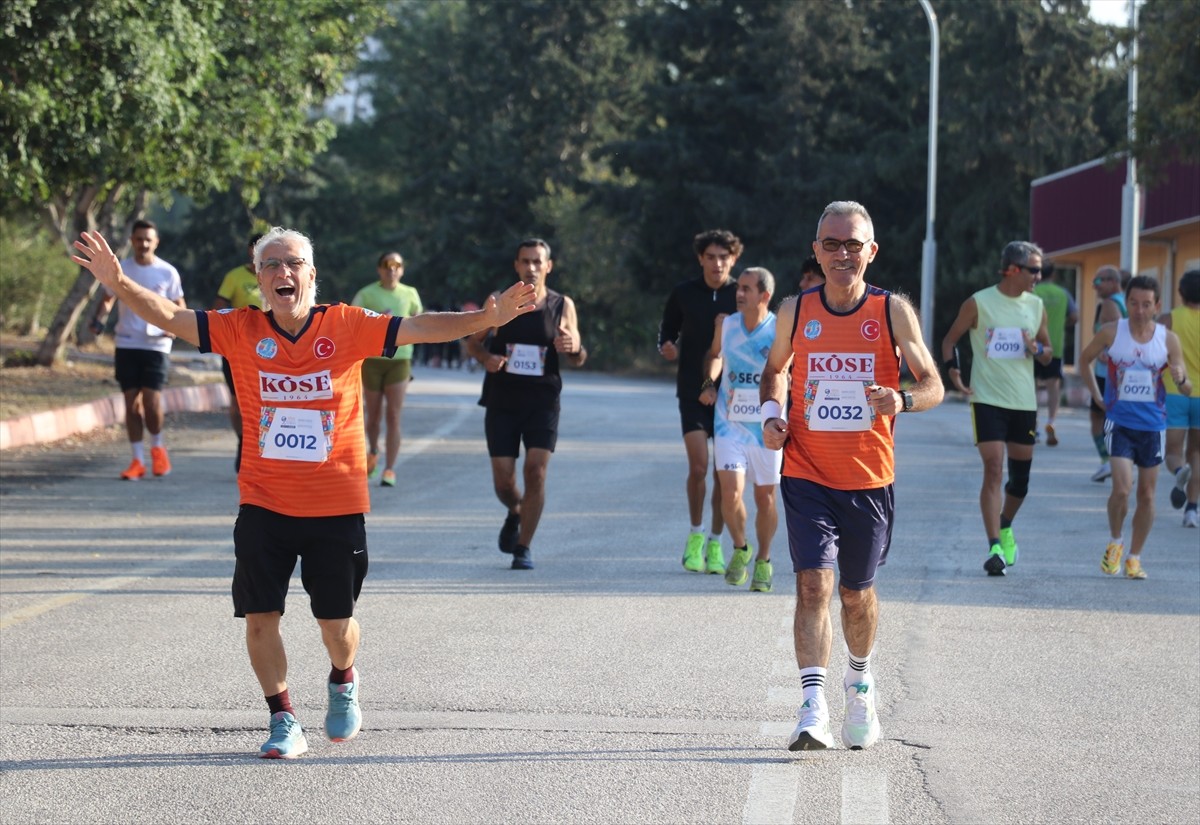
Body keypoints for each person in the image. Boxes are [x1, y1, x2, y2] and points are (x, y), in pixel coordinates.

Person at [71, 226, 535, 759]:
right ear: (258, 278)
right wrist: (118, 281)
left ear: (311, 274)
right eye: (270, 264)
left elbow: (420, 327)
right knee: (260, 616)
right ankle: (283, 717)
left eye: (292, 263)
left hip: (335, 502)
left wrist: (484, 320)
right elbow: (170, 317)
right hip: (263, 499)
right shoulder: (238, 329)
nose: (282, 273)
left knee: (336, 627)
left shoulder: (346, 325)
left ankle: (343, 677)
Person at [760, 201, 943, 751]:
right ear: (816, 250)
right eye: (831, 244)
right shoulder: (797, 310)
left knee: (856, 595)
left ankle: (859, 680)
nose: (842, 254)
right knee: (813, 584)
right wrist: (773, 415)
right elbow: (775, 371)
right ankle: (812, 707)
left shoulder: (893, 312)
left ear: (871, 251)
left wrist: (903, 399)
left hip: (868, 480)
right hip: (807, 470)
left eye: (852, 244)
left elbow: (934, 383)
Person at [465, 239, 586, 571]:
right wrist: (486, 356)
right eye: (525, 261)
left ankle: (523, 547)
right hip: (503, 400)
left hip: (543, 401)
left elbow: (578, 354)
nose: (531, 267)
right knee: (504, 482)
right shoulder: (499, 303)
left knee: (536, 471)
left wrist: (573, 347)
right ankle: (516, 510)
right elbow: (472, 344)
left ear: (549, 266)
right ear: (516, 266)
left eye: (538, 261)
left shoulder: (563, 305)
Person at [942, 241, 1053, 576]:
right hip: (987, 399)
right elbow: (950, 340)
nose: (1039, 275)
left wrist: (1038, 349)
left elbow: (1048, 353)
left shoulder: (1036, 306)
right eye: (1034, 269)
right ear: (1012, 269)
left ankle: (1005, 524)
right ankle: (994, 546)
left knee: (1020, 482)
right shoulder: (980, 302)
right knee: (993, 467)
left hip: (1023, 402)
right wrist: (954, 372)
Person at [1080, 275, 1192, 578]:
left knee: (1146, 494)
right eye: (1133, 303)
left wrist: (1181, 378)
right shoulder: (1111, 333)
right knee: (1122, 488)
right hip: (1119, 422)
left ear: (1157, 305)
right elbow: (1084, 360)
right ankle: (1116, 541)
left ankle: (1134, 557)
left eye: (1146, 304)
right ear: (1126, 302)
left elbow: (1186, 387)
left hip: (1153, 426)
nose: (1139, 310)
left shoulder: (1167, 339)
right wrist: (1095, 394)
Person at [659, 229, 740, 574]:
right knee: (698, 468)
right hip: (692, 390)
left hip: (733, 396)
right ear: (700, 259)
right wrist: (667, 347)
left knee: (725, 475)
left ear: (733, 259)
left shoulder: (742, 294)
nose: (717, 263)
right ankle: (694, 535)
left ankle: (715, 542)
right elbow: (667, 331)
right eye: (711, 257)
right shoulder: (683, 293)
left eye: (724, 257)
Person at [700, 267, 781, 593]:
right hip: (728, 422)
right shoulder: (728, 324)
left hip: (766, 427)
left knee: (765, 498)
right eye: (739, 288)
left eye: (747, 288)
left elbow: (786, 372)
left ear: (764, 295)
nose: (740, 293)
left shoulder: (778, 329)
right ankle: (739, 547)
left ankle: (763, 559)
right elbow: (715, 355)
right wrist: (710, 382)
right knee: (730, 492)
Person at [89, 219, 186, 480]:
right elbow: (108, 299)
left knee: (152, 403)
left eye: (148, 239)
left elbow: (179, 306)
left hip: (157, 345)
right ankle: (137, 460)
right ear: (132, 240)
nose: (143, 243)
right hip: (128, 342)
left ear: (155, 242)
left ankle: (157, 448)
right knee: (131, 405)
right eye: (139, 238)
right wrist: (99, 320)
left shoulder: (167, 272)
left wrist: (175, 328)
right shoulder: (121, 270)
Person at [351, 251, 424, 488]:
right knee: (373, 416)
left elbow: (418, 320)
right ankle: (373, 451)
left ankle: (390, 469)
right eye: (386, 264)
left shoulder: (410, 293)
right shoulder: (367, 293)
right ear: (379, 269)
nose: (391, 269)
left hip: (400, 360)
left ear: (402, 270)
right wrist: (376, 320)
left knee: (393, 415)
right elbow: (352, 319)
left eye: (397, 265)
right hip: (373, 360)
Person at [212, 233, 264, 472]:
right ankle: (243, 440)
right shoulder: (234, 276)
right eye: (257, 248)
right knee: (237, 401)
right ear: (249, 250)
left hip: (271, 349)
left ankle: (261, 447)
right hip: (238, 346)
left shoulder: (278, 274)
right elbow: (219, 307)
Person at [1158, 269, 1200, 527]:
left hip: (1175, 391)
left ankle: (1178, 471)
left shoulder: (1168, 319)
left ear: (1180, 292)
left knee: (1173, 451)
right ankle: (1192, 511)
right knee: (1197, 452)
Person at [1031, 260, 1078, 446]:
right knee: (1053, 386)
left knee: (1031, 387)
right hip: (1055, 345)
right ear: (1054, 275)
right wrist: (1061, 325)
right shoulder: (1063, 293)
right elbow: (1075, 316)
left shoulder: (1033, 292)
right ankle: (1051, 421)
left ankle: (1031, 425)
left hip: (1033, 345)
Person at [1088, 266, 1128, 481]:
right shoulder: (1126, 301)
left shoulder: (1110, 304)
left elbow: (1113, 336)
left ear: (1113, 281)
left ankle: (1109, 462)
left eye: (1098, 281)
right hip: (1122, 371)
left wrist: (1104, 352)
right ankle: (1119, 464)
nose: (1094, 286)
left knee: (1098, 417)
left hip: (1107, 373)